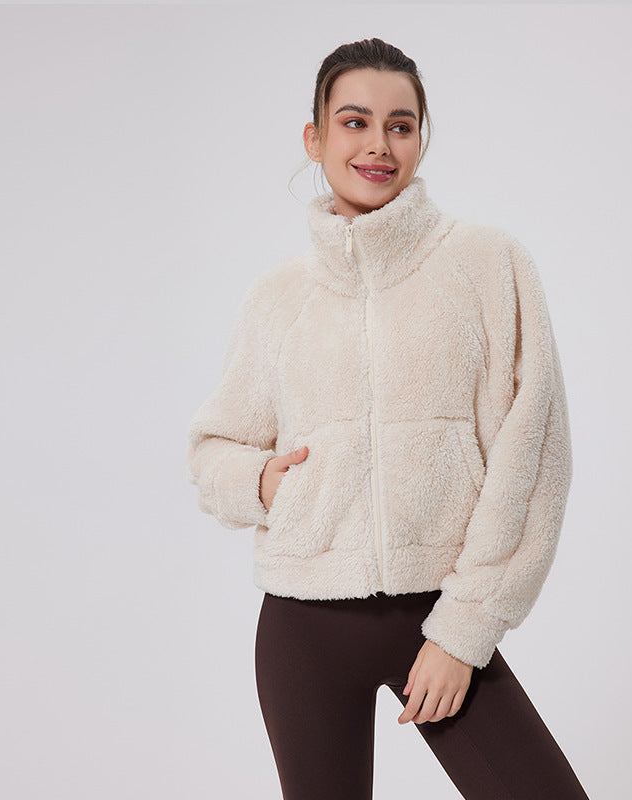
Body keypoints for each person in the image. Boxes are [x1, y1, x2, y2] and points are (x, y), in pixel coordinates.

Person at [186, 37, 589, 800]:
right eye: (354, 122)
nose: (378, 144)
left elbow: (535, 457)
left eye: (400, 125)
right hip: (302, 628)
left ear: (420, 140)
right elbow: (213, 447)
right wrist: (261, 482)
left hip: (440, 611)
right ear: (315, 139)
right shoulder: (278, 296)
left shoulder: (488, 264)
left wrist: (463, 632)